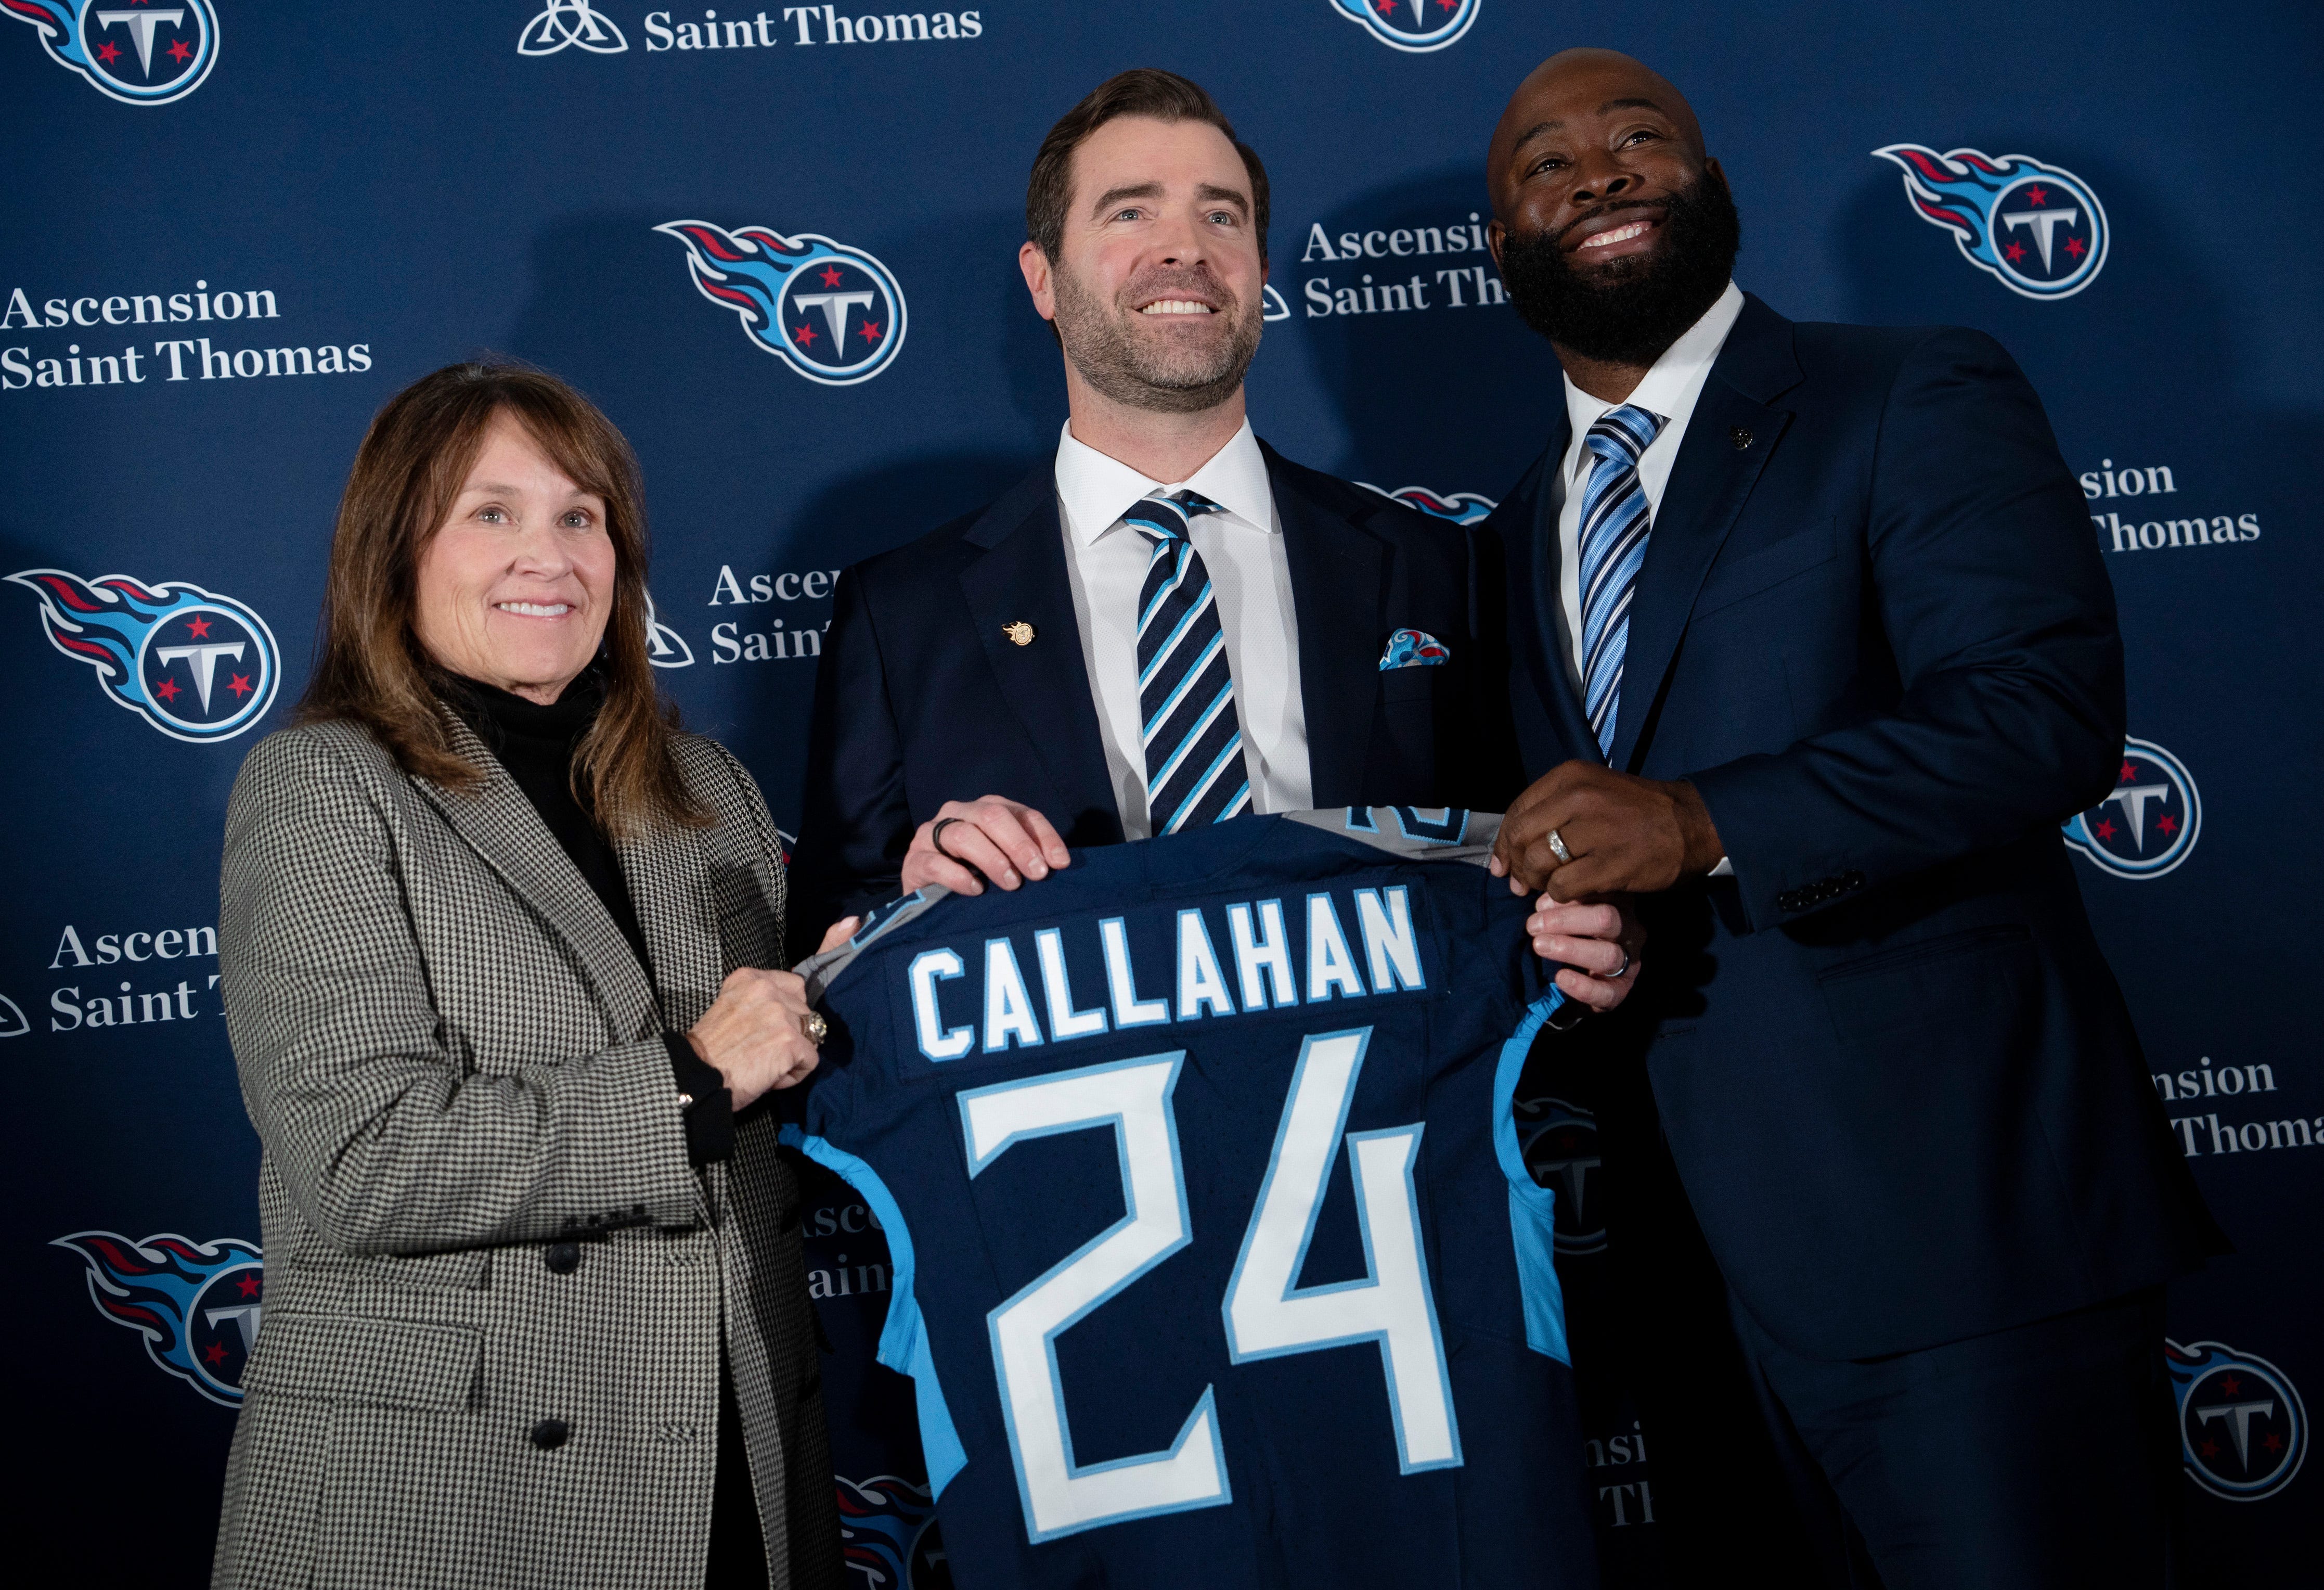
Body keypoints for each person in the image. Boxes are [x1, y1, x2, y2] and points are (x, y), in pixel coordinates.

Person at [1474, 48, 2222, 1587]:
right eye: (1546, 165)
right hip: (1682, 1285)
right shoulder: (1503, 538)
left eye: (1639, 140)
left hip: (1960, 1238)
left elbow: (2037, 714)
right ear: (1501, 245)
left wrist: (1695, 822)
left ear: (1714, 185)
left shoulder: (1907, 392)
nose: (1599, 172)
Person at [790, 68, 1638, 1015]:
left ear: (1261, 276)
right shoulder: (903, 615)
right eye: (1130, 214)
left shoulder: (1440, 569)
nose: (1185, 248)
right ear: (1043, 279)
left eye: (1222, 216)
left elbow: (1552, 866)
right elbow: (829, 950)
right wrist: (911, 902)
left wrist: (1598, 938)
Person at [212, 363, 844, 1589]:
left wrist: (921, 917)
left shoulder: (708, 785)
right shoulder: (325, 786)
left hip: (729, 1451)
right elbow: (360, 1161)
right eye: (489, 513)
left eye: (579, 515)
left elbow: (795, 1056)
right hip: (459, 1489)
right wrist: (688, 1082)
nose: (546, 555)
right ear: (396, 553)